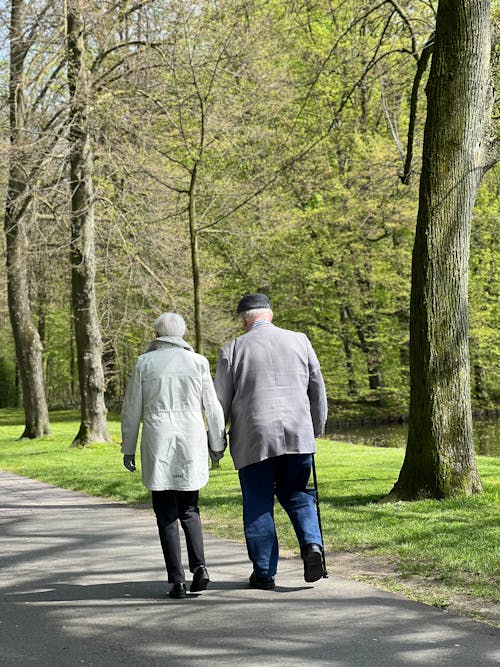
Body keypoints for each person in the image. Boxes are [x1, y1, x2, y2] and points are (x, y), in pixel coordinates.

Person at [214, 293, 328, 590]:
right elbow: (317, 387)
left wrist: (216, 443)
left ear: (243, 320)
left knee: (258, 501)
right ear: (271, 314)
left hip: (254, 438)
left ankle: (264, 572)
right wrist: (316, 426)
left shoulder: (233, 349)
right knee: (299, 493)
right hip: (297, 434)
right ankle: (312, 546)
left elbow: (220, 403)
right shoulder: (299, 340)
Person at [121, 312, 226, 599]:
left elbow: (132, 409)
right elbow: (212, 407)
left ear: (157, 333)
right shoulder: (198, 362)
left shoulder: (144, 363)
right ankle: (201, 568)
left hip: (158, 438)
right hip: (191, 438)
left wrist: (128, 446)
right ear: (181, 333)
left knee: (166, 512)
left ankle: (176, 581)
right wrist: (217, 443)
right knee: (190, 509)